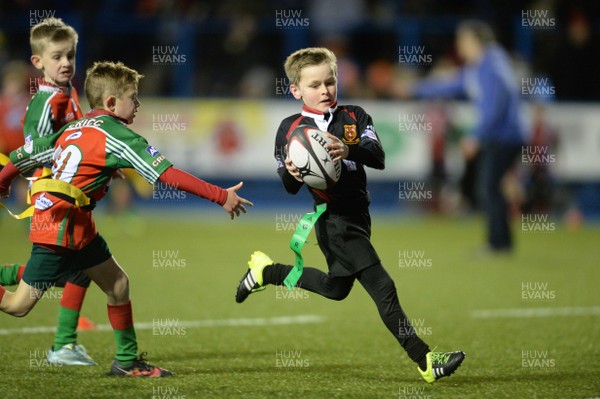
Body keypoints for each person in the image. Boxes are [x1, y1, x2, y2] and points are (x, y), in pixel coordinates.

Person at [0, 60, 252, 377]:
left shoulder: (73, 128)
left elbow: (26, 154)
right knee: (17, 306)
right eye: (133, 97)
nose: (138, 103)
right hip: (60, 227)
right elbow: (167, 174)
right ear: (111, 103)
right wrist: (221, 195)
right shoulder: (116, 134)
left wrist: (3, 181)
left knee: (118, 284)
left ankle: (128, 363)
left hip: (74, 223)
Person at [234, 47, 464, 383]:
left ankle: (267, 272)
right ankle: (426, 359)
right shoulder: (289, 129)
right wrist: (291, 173)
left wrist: (348, 148)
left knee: (335, 288)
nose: (325, 90)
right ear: (297, 90)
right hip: (335, 221)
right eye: (314, 85)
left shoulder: (354, 116)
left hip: (359, 216)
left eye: (330, 82)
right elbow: (288, 186)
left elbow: (378, 156)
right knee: (382, 286)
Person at [0, 17, 98, 366]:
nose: (67, 63)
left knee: (76, 271)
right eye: (57, 56)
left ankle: (64, 344)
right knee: (28, 299)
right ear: (38, 62)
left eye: (70, 55)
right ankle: (62, 346)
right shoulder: (46, 103)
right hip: (53, 201)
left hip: (72, 197)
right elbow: (29, 154)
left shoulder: (69, 92)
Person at [407, 20, 526, 253]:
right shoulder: (480, 66)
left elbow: (496, 107)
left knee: (488, 188)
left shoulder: (493, 66)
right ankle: (501, 243)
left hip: (506, 137)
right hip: (500, 136)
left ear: (475, 40)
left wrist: (475, 136)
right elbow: (450, 85)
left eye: (462, 40)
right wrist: (415, 89)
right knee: (491, 188)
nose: (459, 46)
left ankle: (498, 244)